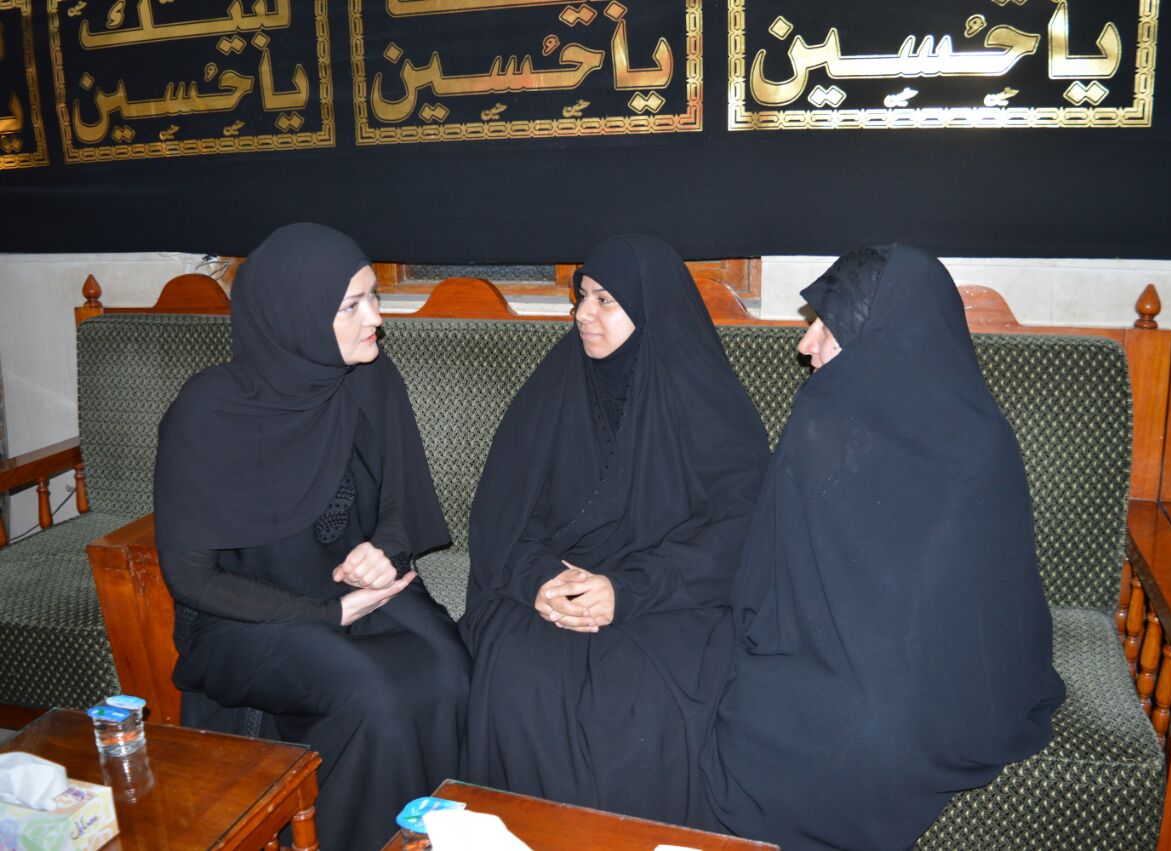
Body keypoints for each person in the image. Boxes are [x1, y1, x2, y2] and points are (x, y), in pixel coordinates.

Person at [702, 245, 1065, 850]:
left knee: (868, 736)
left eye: (829, 326)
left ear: (891, 336)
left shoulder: (978, 447)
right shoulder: (820, 421)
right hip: (808, 647)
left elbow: (964, 614)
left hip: (927, 666)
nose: (805, 345)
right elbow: (770, 572)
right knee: (750, 707)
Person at [154, 223, 470, 850]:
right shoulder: (208, 410)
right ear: (294, 314)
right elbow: (190, 577)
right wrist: (327, 612)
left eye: (374, 295)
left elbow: (405, 500)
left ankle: (433, 840)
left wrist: (385, 549)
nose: (377, 316)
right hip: (248, 615)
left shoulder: (371, 379)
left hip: (359, 592)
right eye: (352, 304)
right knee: (372, 692)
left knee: (450, 668)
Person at [460, 234, 769, 828]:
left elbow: (740, 529)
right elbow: (499, 516)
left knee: (645, 702)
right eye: (582, 297)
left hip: (671, 599)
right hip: (552, 589)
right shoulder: (553, 389)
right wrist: (538, 582)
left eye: (605, 301)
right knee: (519, 677)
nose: (582, 314)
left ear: (651, 311)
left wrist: (627, 591)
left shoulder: (705, 401)